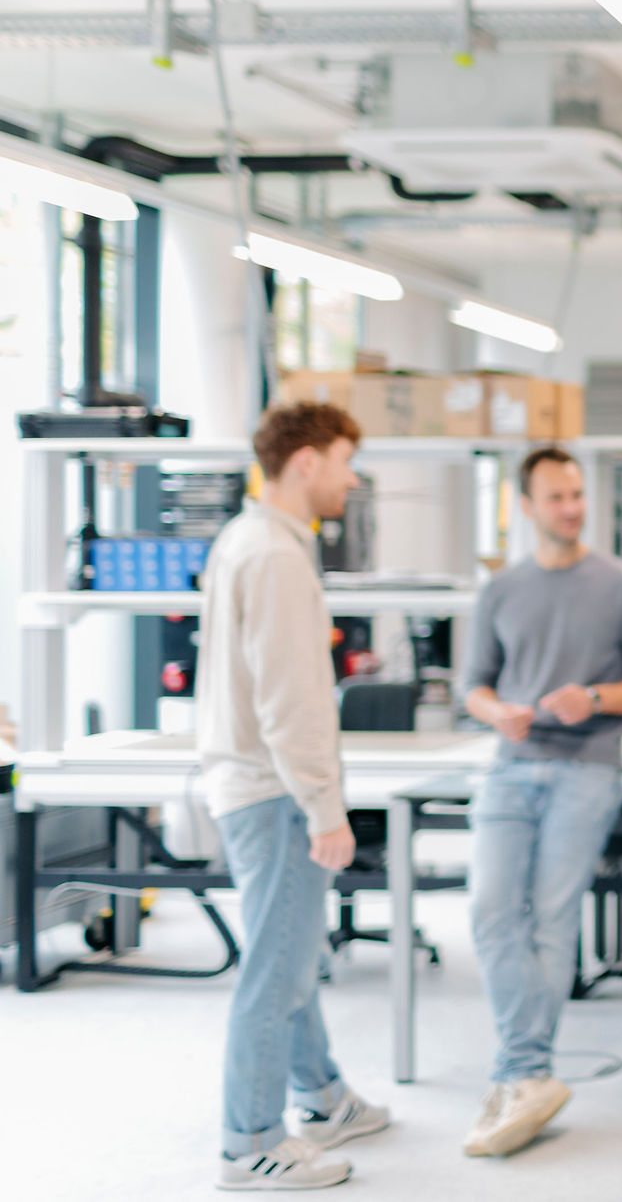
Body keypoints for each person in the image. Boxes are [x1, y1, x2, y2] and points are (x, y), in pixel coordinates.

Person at [459, 446, 622, 1157]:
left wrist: (592, 698)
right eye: (555, 496)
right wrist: (498, 714)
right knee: (490, 909)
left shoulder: (621, 585)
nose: (570, 506)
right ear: (527, 506)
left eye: (576, 493)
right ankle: (526, 1070)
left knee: (552, 920)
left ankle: (521, 1072)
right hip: (512, 764)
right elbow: (474, 685)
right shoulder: (501, 589)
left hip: (587, 768)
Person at [197, 401, 390, 1191]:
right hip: (275, 791)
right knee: (275, 971)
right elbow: (290, 698)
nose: (351, 479)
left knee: (290, 953)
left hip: (251, 784)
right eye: (344, 461)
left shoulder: (249, 540)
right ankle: (249, 1143)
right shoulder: (276, 557)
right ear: (305, 461)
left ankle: (323, 1095)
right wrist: (324, 806)